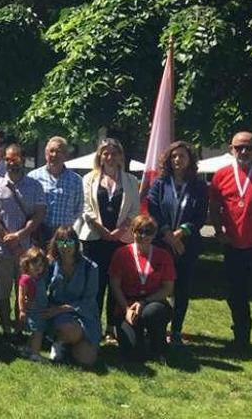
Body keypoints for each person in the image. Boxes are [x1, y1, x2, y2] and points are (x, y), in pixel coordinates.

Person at [76, 138, 140, 341]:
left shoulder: (131, 181)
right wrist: (103, 231)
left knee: (117, 284)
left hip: (121, 242)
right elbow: (86, 209)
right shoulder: (88, 179)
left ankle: (112, 327)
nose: (110, 157)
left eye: (114, 153)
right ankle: (92, 324)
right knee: (95, 284)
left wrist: (119, 232)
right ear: (99, 156)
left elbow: (134, 211)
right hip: (94, 239)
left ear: (121, 156)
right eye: (106, 153)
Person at [146, 141, 208, 346]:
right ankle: (156, 329)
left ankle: (176, 331)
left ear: (190, 159)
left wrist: (181, 233)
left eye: (182, 156)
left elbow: (200, 216)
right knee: (158, 286)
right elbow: (153, 209)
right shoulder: (160, 183)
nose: (177, 160)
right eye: (173, 156)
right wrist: (168, 235)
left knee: (182, 289)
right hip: (162, 244)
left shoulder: (199, 186)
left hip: (187, 246)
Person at [208, 131, 252, 351]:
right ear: (231, 149)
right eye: (239, 147)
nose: (244, 152)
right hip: (233, 246)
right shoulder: (221, 175)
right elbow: (214, 207)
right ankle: (241, 338)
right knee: (236, 294)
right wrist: (218, 231)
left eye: (248, 147)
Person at [0, 144, 46, 337]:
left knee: (26, 291)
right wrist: (7, 238)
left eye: (16, 158)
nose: (12, 163)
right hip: (1, 250)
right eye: (8, 159)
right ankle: (6, 329)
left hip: (26, 252)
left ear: (23, 159)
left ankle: (21, 329)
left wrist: (20, 235)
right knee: (2, 292)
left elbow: (39, 215)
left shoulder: (35, 186)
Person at [108, 215, 176, 361]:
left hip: (153, 302)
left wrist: (144, 302)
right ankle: (140, 340)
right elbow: (115, 286)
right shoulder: (121, 254)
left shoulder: (163, 255)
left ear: (154, 234)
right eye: (140, 231)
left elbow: (168, 289)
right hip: (127, 303)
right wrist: (126, 309)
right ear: (133, 232)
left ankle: (158, 346)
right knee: (131, 353)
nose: (144, 235)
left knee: (151, 313)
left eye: (149, 232)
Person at [43, 227, 100, 366]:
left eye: (69, 242)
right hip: (58, 316)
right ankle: (59, 342)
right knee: (68, 328)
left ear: (76, 243)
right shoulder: (50, 265)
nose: (65, 247)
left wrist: (61, 309)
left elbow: (89, 301)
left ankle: (65, 344)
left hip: (84, 315)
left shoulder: (91, 267)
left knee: (87, 360)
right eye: (60, 243)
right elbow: (40, 289)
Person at [28, 136, 83, 239]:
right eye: (51, 151)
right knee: (39, 255)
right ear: (46, 154)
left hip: (64, 235)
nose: (54, 155)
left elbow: (78, 209)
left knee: (64, 255)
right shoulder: (33, 177)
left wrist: (66, 226)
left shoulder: (76, 180)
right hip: (38, 233)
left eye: (59, 151)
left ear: (66, 155)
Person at [18, 247, 49, 362]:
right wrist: (22, 310)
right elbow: (21, 296)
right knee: (38, 332)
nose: (38, 267)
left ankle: (28, 349)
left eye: (41, 265)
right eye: (34, 263)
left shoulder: (39, 278)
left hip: (41, 309)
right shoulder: (26, 279)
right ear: (27, 263)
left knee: (35, 332)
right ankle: (35, 353)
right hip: (33, 310)